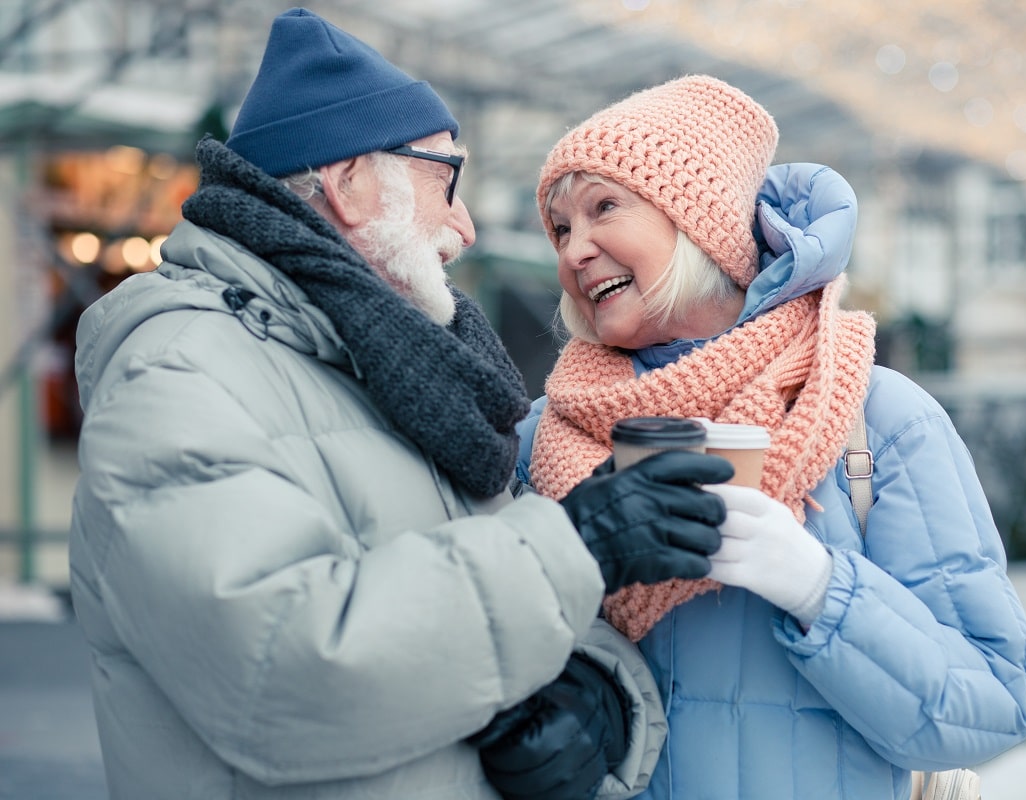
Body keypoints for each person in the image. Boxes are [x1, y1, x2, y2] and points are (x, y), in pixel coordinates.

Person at [68, 10, 737, 799]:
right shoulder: (179, 371)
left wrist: (599, 698)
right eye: (445, 180)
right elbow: (283, 669)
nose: (466, 225)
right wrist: (574, 548)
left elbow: (489, 585)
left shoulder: (392, 363)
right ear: (350, 182)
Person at [517, 74, 1026, 799]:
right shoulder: (542, 439)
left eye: (603, 207)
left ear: (698, 217)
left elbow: (998, 700)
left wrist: (817, 586)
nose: (575, 250)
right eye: (559, 228)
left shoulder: (879, 420)